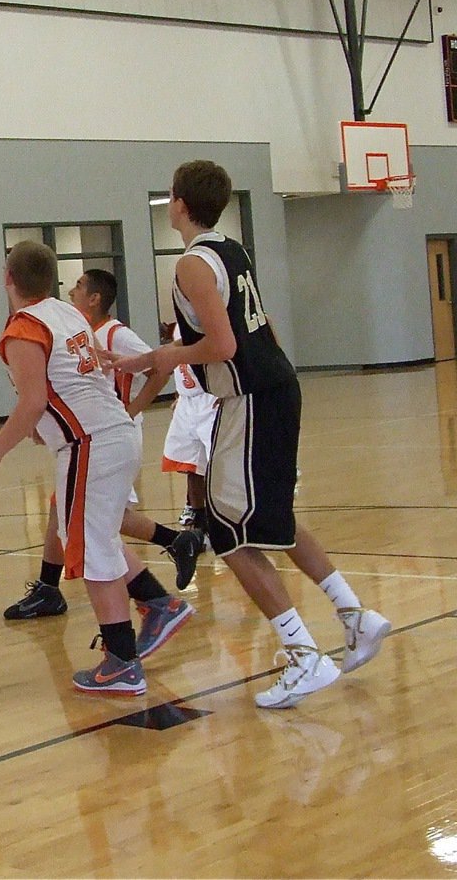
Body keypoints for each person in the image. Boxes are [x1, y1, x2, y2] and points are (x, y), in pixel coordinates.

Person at [103, 160, 391, 709]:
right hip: (276, 389)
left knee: (226, 530)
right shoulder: (230, 250)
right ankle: (354, 616)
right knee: (273, 518)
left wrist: (165, 355)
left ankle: (304, 654)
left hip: (252, 399)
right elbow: (259, 329)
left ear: (179, 204)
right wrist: (135, 359)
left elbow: (224, 346)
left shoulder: (191, 264)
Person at [0, 240, 149, 696]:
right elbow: (67, 380)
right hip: (114, 433)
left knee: (91, 550)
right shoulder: (68, 315)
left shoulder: (25, 328)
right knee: (94, 540)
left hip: (91, 443)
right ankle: (156, 605)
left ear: (8, 279)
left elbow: (34, 399)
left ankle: (123, 660)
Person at [2, 269, 195, 661]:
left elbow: (159, 365)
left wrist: (134, 408)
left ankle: (122, 651)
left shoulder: (107, 331)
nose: (72, 290)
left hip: (103, 437)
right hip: (98, 435)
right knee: (86, 523)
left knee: (93, 536)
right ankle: (156, 592)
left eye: (78, 287)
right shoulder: (68, 322)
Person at [161, 322, 217, 535]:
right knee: (191, 465)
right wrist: (179, 393)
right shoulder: (178, 323)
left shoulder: (211, 316)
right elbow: (179, 363)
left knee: (222, 466)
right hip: (187, 401)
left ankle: (244, 517)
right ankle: (200, 522)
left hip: (211, 397)